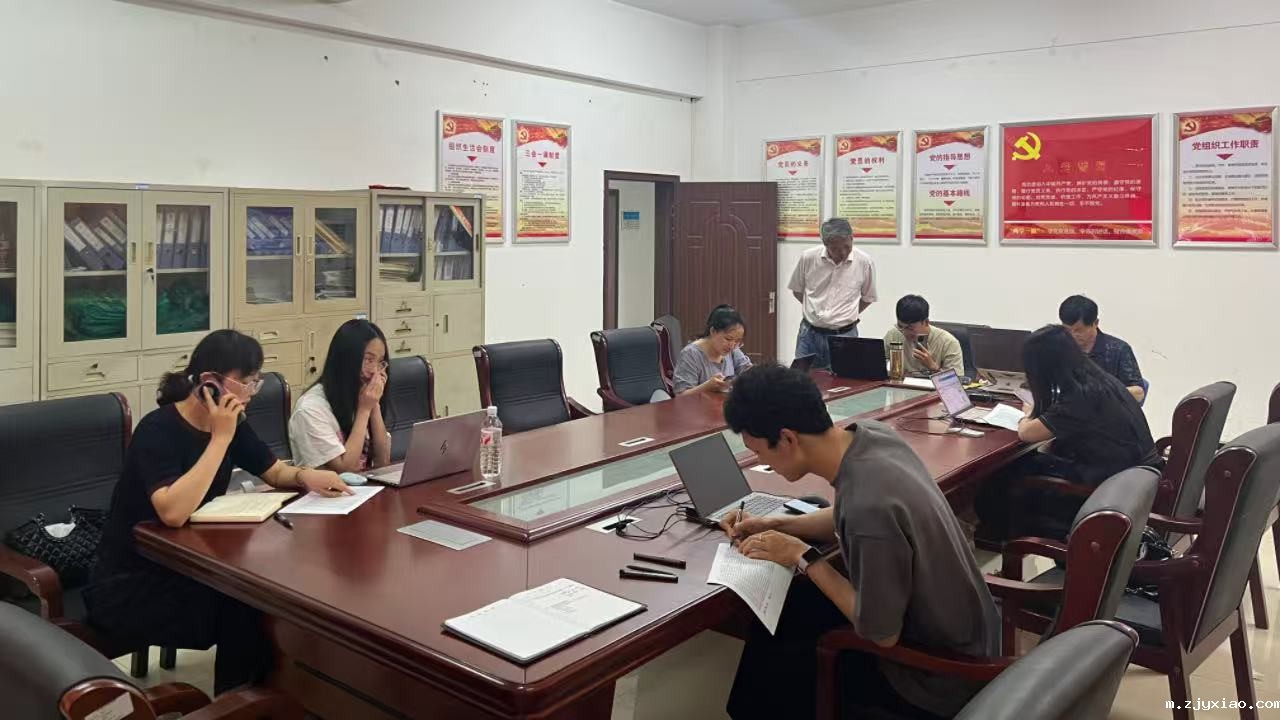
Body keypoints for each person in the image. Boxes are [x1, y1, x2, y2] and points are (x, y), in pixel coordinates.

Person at [720, 365, 1000, 720]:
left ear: (787, 439)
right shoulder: (871, 437)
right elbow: (845, 514)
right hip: (968, 631)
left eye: (758, 450)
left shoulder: (868, 506)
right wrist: (775, 523)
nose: (759, 461)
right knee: (792, 611)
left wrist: (801, 556)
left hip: (935, 678)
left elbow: (882, 635)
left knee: (776, 673)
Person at [85, 330, 352, 695]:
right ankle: (237, 704)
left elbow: (273, 471)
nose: (252, 392)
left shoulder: (231, 423)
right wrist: (220, 438)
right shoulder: (158, 429)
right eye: (247, 382)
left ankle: (274, 695)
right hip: (132, 581)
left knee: (266, 596)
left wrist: (305, 476)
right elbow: (173, 512)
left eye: (256, 382)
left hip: (188, 563)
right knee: (248, 606)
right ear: (210, 382)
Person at [975, 325, 1158, 541]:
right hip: (1131, 476)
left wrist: (1027, 414)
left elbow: (1026, 433)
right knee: (1025, 462)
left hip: (1107, 484)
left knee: (1000, 478)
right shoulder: (1099, 380)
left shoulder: (1080, 397)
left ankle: (1005, 541)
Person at [289, 319, 392, 472]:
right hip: (328, 487)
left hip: (367, 485)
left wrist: (374, 405)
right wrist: (364, 410)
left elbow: (383, 463)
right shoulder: (310, 409)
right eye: (368, 360)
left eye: (380, 362)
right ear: (346, 359)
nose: (375, 371)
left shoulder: (364, 396)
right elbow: (345, 471)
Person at [788, 217, 877, 369]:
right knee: (801, 379)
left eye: (847, 246)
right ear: (825, 243)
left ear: (852, 238)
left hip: (845, 336)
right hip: (809, 335)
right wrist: (814, 311)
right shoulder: (808, 258)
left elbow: (868, 297)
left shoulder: (864, 262)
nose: (842, 252)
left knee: (846, 380)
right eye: (835, 249)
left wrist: (844, 315)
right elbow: (797, 290)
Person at [1058, 294, 1145, 403]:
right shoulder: (1059, 348)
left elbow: (1139, 393)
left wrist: (1101, 392)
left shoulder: (1118, 349)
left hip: (1108, 409)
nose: (1072, 335)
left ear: (1095, 323)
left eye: (1078, 330)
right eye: (1067, 330)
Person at [673, 305, 752, 394]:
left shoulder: (732, 349)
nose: (732, 345)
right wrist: (706, 387)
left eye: (737, 341)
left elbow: (748, 372)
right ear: (713, 331)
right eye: (728, 339)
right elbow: (680, 396)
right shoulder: (691, 354)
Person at [882, 295, 964, 377]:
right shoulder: (893, 334)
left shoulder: (948, 342)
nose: (905, 332)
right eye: (900, 326)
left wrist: (932, 366)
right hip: (900, 384)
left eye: (910, 328)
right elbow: (880, 366)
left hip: (932, 385)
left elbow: (955, 382)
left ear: (926, 322)